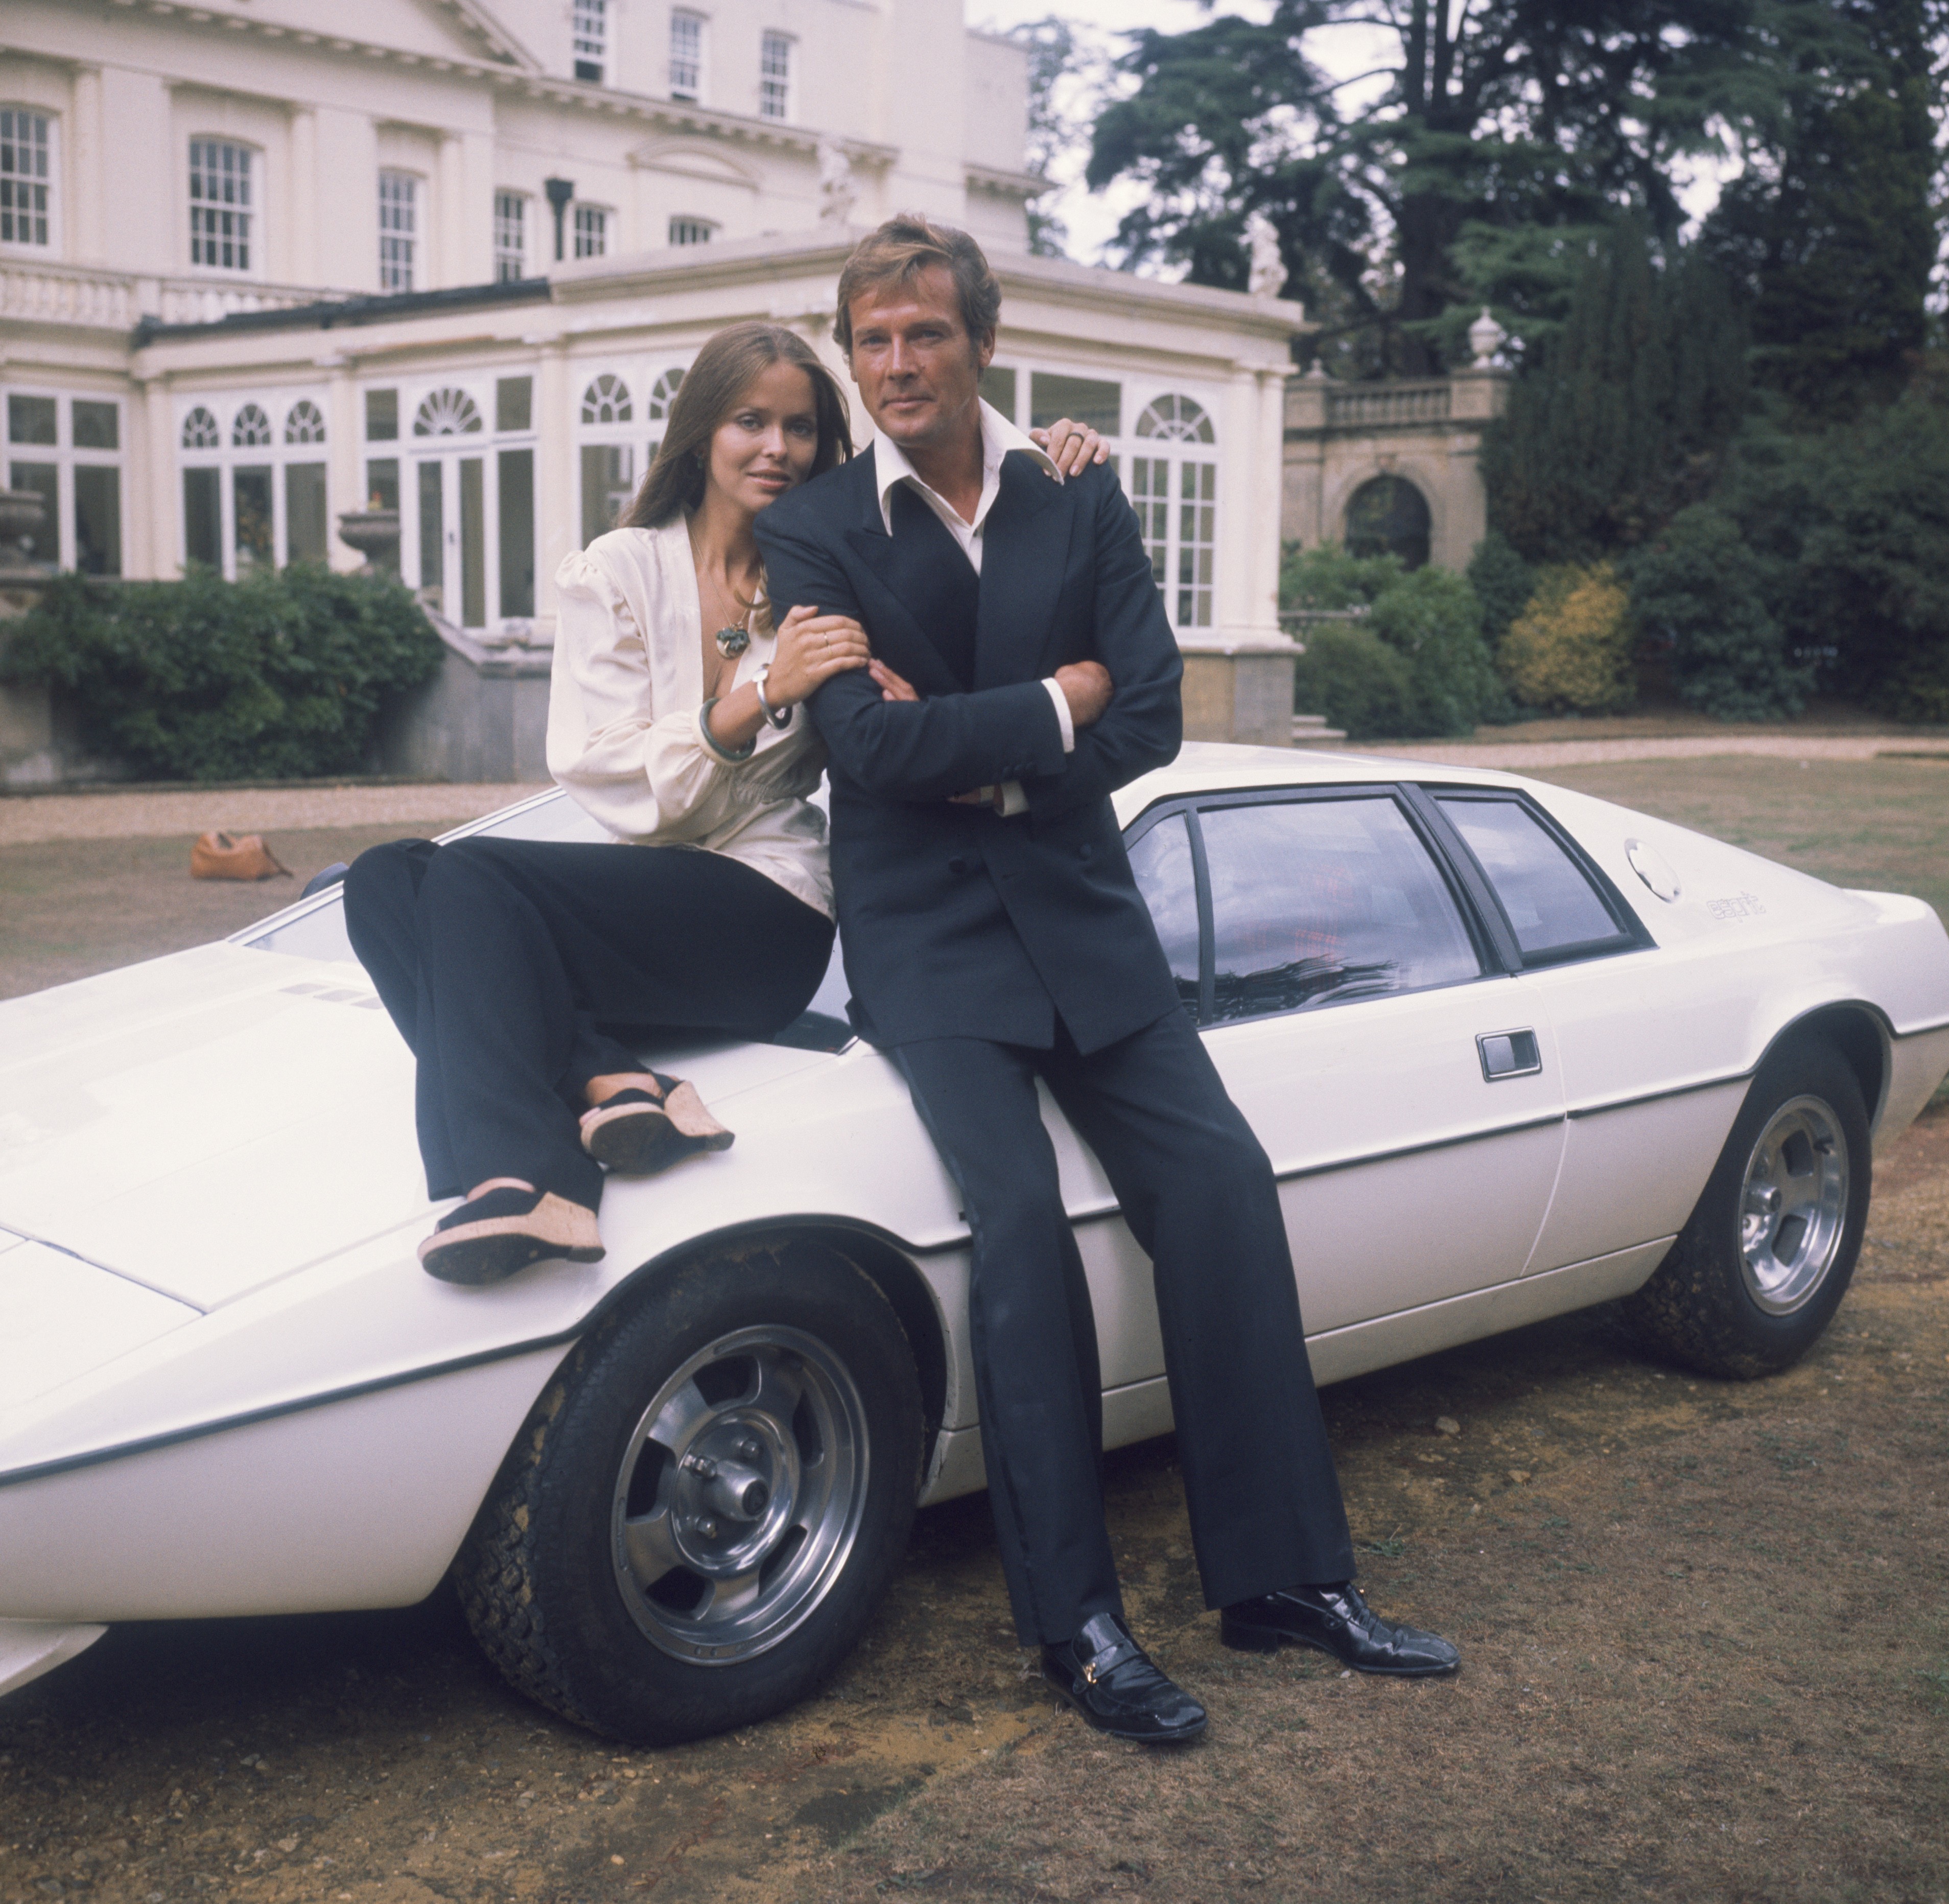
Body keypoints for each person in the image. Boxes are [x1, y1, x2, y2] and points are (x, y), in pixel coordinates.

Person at [756, 216, 1461, 1746]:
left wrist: (1009, 746)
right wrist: (1052, 697)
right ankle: (1076, 1625)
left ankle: (1284, 1578)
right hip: (926, 941)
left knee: (1221, 1185)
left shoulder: (1075, 492)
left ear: (982, 341)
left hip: (1083, 918)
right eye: (870, 339)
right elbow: (865, 748)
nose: (895, 365)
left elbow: (1146, 715)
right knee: (1018, 1225)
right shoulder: (814, 531)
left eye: (924, 333)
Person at [344, 321, 1106, 1288]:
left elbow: (951, 512)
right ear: (702, 432)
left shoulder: (837, 576)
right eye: (751, 421)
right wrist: (763, 692)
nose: (777, 449)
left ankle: (530, 1172)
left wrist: (1033, 455)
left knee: (464, 874)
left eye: (801, 428)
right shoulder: (619, 570)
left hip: (769, 912)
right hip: (651, 908)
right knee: (383, 880)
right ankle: (612, 1079)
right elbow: (610, 778)